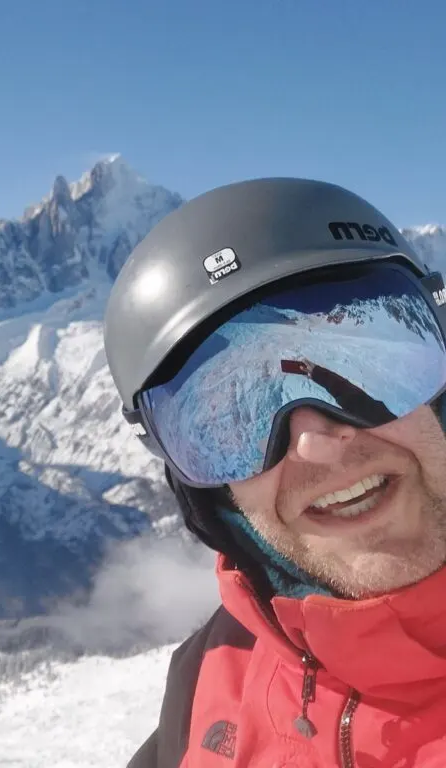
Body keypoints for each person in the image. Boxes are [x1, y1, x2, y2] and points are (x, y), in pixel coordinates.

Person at [104, 177, 446, 767]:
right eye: (231, 424)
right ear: (211, 497)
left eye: (369, 371)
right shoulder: (205, 685)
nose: (318, 446)